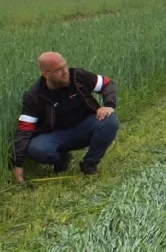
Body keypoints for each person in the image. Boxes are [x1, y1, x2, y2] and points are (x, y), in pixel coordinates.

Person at [11, 52, 119, 181]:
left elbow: (107, 84)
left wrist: (108, 105)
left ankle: (89, 164)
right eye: (58, 70)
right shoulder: (34, 96)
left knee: (109, 121)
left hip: (86, 125)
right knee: (35, 149)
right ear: (46, 74)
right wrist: (18, 164)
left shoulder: (78, 76)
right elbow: (24, 130)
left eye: (65, 66)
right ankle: (61, 160)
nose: (65, 72)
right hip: (56, 134)